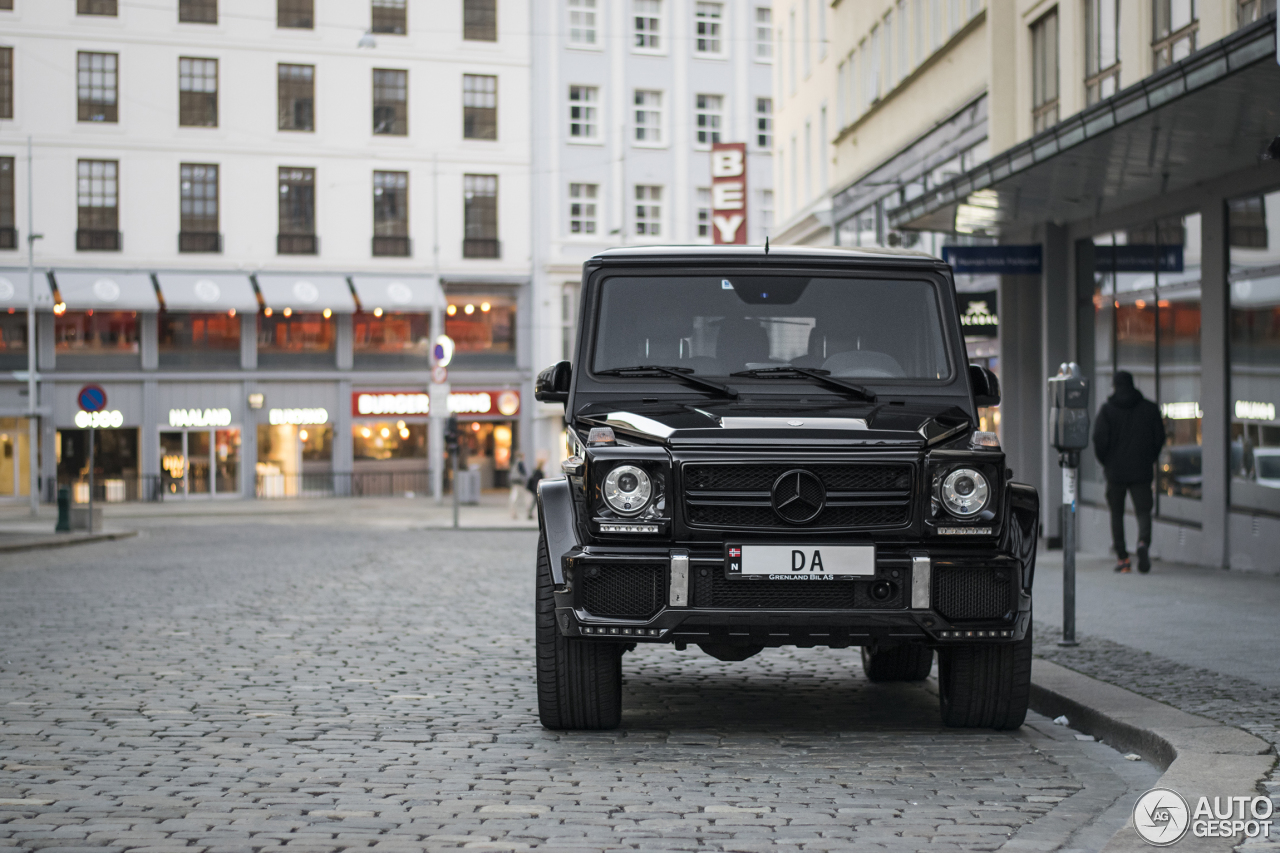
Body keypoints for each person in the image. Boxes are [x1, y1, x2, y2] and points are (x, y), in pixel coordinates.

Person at [1091, 371, 1167, 573]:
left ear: (1115, 386)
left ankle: (1123, 558)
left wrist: (1106, 461)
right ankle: (1143, 543)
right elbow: (1159, 437)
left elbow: (1099, 439)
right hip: (1141, 470)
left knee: (1116, 514)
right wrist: (1149, 458)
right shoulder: (1149, 409)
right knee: (1143, 511)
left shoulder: (1107, 411)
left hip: (1115, 472)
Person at [525, 453, 546, 520]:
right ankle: (534, 513)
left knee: (535, 502)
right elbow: (539, 481)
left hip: (535, 489)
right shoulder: (539, 472)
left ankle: (530, 512)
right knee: (538, 502)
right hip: (537, 489)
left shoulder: (535, 471)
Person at [509, 452, 529, 519]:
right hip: (520, 483)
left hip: (515, 483)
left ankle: (514, 513)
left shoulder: (515, 463)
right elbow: (524, 474)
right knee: (526, 498)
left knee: (514, 498)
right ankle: (528, 512)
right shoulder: (520, 463)